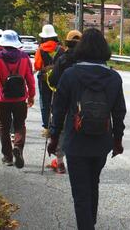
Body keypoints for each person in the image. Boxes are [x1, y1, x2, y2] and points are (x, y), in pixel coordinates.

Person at [47, 28, 126, 230]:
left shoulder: (70, 75)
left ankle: (86, 225)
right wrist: (117, 140)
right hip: (102, 142)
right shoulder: (114, 78)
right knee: (93, 184)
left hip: (75, 141)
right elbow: (119, 112)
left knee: (80, 191)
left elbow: (58, 110)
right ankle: (90, 222)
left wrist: (54, 137)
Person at [0, 30, 35, 168]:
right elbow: (30, 78)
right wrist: (31, 95)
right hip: (20, 98)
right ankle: (18, 148)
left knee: (3, 127)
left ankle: (7, 157)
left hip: (2, 98)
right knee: (20, 125)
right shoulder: (25, 57)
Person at [46, 29, 82, 174]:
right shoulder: (86, 59)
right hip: (81, 103)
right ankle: (79, 163)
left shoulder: (63, 58)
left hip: (63, 100)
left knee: (60, 130)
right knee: (79, 130)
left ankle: (60, 163)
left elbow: (54, 80)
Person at [33, 24, 63, 138]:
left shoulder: (40, 49)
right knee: (56, 103)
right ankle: (56, 126)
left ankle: (46, 127)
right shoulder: (61, 49)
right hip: (58, 79)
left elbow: (37, 65)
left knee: (44, 103)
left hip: (44, 79)